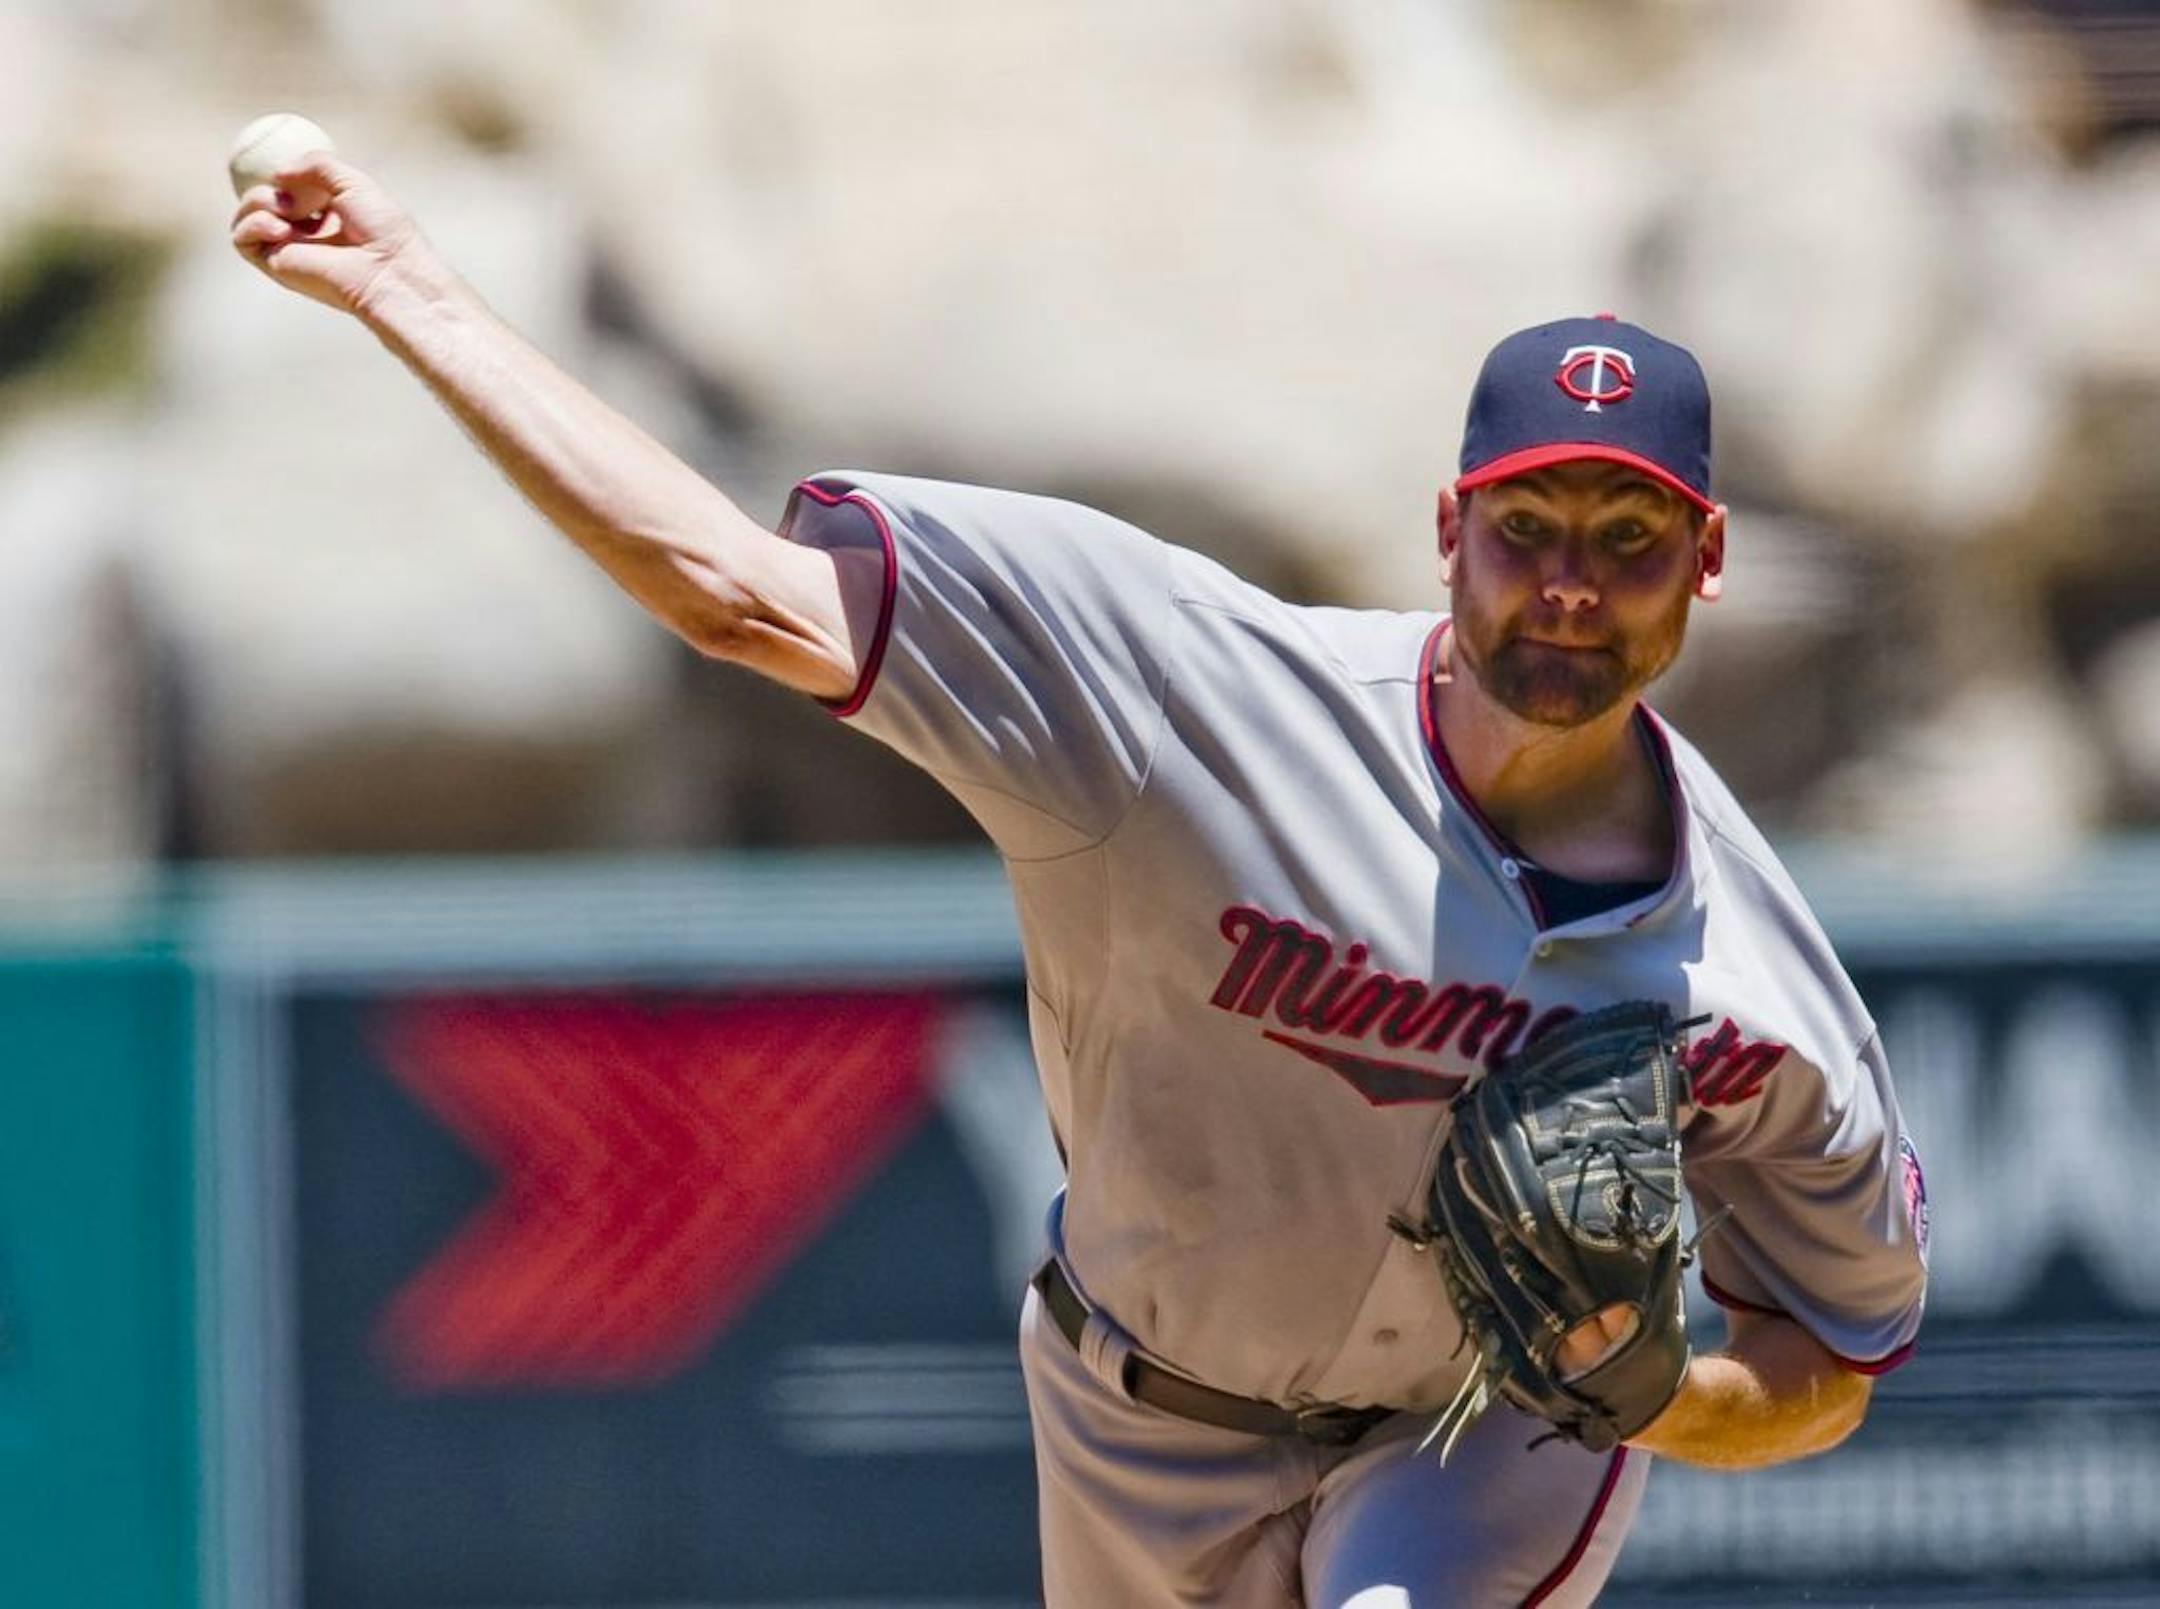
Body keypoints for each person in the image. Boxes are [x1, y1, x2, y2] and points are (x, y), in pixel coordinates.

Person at [232, 152, 1928, 1607]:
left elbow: (1831, 1363)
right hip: (1140, 1413)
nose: (1571, 584)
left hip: (1480, 1433)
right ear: (1446, 531)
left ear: (1705, 561)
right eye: (1528, 525)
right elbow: (733, 593)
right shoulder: (1188, 697)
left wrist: (1658, 1392)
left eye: (1629, 538)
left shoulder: (1755, 984)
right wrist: (414, 293)